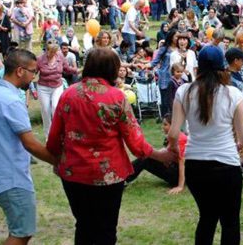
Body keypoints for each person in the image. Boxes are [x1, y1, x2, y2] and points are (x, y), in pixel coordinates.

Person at [47, 48, 174, 244]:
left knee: (83, 225)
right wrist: (160, 155)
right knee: (106, 228)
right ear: (110, 69)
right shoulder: (116, 97)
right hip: (108, 175)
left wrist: (58, 161)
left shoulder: (68, 94)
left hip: (73, 173)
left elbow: (54, 137)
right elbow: (136, 143)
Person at [0, 49, 58, 245]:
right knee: (22, 232)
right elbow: (30, 143)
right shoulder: (12, 101)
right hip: (11, 178)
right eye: (33, 71)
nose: (34, 77)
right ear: (20, 71)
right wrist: (59, 160)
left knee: (20, 229)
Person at [168, 45, 243, 245]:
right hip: (226, 165)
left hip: (196, 165)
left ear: (198, 68)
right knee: (230, 222)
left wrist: (175, 150)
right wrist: (239, 144)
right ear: (223, 68)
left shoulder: (184, 91)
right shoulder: (233, 94)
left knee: (206, 218)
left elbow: (173, 133)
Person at [125, 113, 187, 193]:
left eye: (165, 125)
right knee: (147, 156)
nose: (163, 127)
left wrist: (180, 186)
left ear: (173, 126)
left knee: (146, 159)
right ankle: (123, 177)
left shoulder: (180, 139)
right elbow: (165, 151)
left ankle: (123, 179)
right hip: (174, 169)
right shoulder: (173, 136)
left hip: (177, 176)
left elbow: (182, 162)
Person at [36, 38, 78, 139]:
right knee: (45, 110)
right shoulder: (40, 59)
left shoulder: (60, 57)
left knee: (55, 107)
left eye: (55, 51)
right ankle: (48, 136)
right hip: (43, 87)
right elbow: (34, 72)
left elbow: (67, 68)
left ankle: (58, 133)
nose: (54, 54)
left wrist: (76, 70)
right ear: (46, 50)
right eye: (51, 52)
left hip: (57, 86)